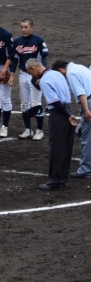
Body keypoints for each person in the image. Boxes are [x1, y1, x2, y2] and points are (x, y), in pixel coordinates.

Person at [26, 59, 78, 191]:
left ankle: (55, 181)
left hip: (61, 114)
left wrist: (66, 116)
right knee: (66, 148)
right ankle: (62, 178)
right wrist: (67, 113)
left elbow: (55, 101)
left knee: (57, 147)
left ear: (33, 68)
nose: (33, 76)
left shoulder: (44, 80)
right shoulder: (57, 74)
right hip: (68, 109)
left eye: (31, 73)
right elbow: (62, 96)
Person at [52, 60, 91, 179]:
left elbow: (81, 93)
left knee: (87, 138)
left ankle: (86, 170)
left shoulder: (71, 73)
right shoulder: (80, 67)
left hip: (89, 102)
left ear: (60, 70)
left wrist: (86, 110)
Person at [11, 18, 48, 141]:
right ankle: (28, 129)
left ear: (32, 28)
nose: (23, 29)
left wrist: (41, 76)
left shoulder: (39, 41)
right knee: (24, 103)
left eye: (26, 27)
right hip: (22, 74)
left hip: (35, 75)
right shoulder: (17, 42)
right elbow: (14, 59)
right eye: (22, 27)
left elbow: (44, 58)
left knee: (35, 102)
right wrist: (12, 74)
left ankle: (39, 130)